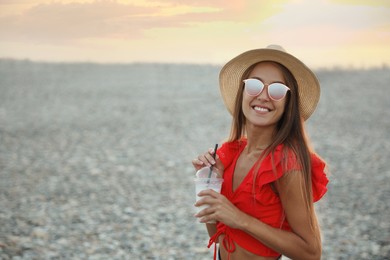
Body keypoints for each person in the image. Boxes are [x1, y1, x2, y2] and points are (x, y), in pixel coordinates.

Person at [192, 45, 329, 260]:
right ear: (243, 92)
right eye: (254, 85)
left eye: (276, 90)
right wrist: (211, 185)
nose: (263, 96)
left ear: (287, 103)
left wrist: (240, 219)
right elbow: (219, 237)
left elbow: (311, 252)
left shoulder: (285, 163)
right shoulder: (230, 154)